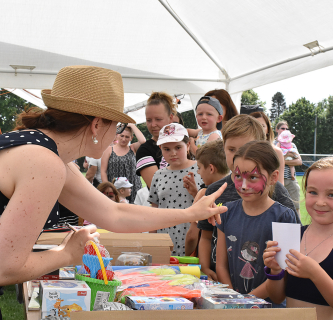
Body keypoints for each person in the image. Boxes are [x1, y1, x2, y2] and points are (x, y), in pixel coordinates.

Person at [0, 65, 227, 288]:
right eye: (116, 125)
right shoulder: (45, 163)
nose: (117, 135)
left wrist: (190, 213)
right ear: (97, 124)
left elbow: (114, 213)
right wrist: (67, 253)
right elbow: (6, 267)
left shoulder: (45, 153)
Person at [263, 154, 333, 320]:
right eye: (313, 192)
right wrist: (275, 271)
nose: (320, 202)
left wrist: (316, 274)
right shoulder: (292, 236)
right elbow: (277, 298)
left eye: (332, 194)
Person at [197, 115, 299, 281]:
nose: (239, 155)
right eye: (231, 149)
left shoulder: (277, 191)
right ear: (223, 148)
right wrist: (206, 267)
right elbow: (206, 235)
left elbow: (291, 239)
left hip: (267, 280)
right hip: (222, 280)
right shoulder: (215, 190)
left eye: (246, 148)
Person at [216, 141, 297, 296]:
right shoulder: (226, 212)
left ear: (273, 177)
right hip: (233, 303)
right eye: (238, 176)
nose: (244, 185)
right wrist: (233, 299)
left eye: (253, 177)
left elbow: (284, 274)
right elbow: (221, 265)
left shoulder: (284, 217)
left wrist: (246, 301)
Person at [148, 123, 203, 256]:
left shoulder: (201, 169)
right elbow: (153, 211)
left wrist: (196, 193)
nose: (173, 153)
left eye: (178, 147)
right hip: (165, 243)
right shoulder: (158, 174)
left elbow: (209, 204)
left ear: (188, 145)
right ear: (160, 149)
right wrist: (152, 243)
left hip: (195, 243)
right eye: (167, 149)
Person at [184, 139, 230, 256]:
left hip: (208, 261)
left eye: (199, 167)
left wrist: (187, 254)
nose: (198, 172)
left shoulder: (204, 192)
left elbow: (192, 235)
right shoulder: (239, 190)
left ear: (211, 168)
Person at [136, 92, 177, 188]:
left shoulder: (183, 141)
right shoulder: (144, 151)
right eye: (149, 120)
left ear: (170, 118)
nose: (153, 124)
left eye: (158, 119)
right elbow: (156, 188)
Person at [101, 123, 145, 203]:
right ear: (117, 135)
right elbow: (103, 171)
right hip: (115, 188)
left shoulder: (132, 148)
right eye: (122, 136)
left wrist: (132, 125)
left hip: (132, 187)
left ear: (131, 138)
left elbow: (143, 141)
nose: (124, 139)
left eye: (127, 137)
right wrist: (107, 188)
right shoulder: (109, 150)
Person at [274, 121, 302, 215]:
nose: (285, 130)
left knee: (296, 207)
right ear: (277, 130)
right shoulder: (273, 145)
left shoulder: (292, 145)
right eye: (282, 128)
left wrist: (282, 160)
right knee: (277, 207)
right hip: (276, 180)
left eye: (286, 129)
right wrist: (286, 157)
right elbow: (273, 161)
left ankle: (298, 228)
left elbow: (299, 161)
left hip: (291, 180)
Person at [250, 111, 285, 185]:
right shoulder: (242, 150)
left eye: (262, 126)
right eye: (255, 125)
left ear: (268, 129)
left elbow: (280, 184)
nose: (258, 129)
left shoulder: (276, 152)